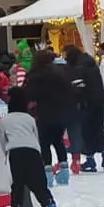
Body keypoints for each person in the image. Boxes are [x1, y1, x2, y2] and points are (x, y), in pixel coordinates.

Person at [0, 90, 63, 207]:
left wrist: (6, 154)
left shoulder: (4, 121)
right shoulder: (30, 119)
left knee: (17, 185)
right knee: (39, 185)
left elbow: (2, 141)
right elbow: (35, 137)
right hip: (33, 152)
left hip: (15, 153)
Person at [21, 49, 75, 185]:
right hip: (60, 112)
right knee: (58, 140)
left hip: (42, 113)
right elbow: (69, 91)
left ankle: (48, 173)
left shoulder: (34, 75)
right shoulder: (60, 73)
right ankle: (63, 170)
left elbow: (28, 94)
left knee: (44, 143)